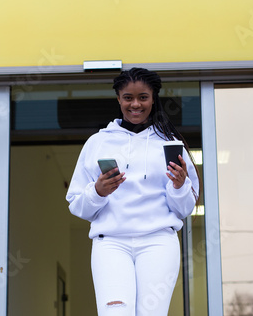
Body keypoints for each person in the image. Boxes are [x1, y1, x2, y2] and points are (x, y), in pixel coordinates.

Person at [66, 67, 200, 315]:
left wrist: (180, 186)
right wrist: (98, 191)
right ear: (118, 98)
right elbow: (77, 205)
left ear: (153, 99)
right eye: (128, 97)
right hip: (111, 243)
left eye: (143, 97)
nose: (135, 104)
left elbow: (183, 209)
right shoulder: (98, 142)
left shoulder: (169, 143)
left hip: (159, 242)